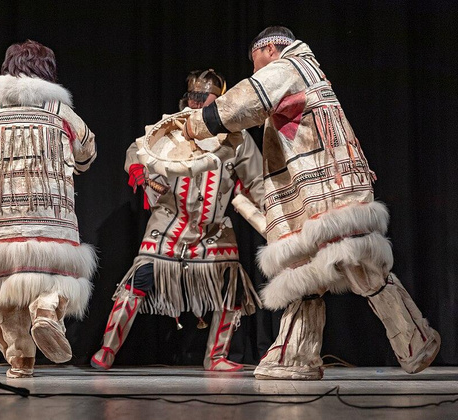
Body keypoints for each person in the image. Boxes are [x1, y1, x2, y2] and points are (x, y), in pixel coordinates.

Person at [184, 26, 440, 379]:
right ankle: (296, 357)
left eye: (255, 59)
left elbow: (243, 102)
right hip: (318, 185)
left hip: (328, 186)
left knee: (354, 262)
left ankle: (415, 339)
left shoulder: (288, 67)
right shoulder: (307, 69)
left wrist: (196, 124)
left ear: (270, 49)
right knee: (305, 272)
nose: (254, 67)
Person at [90, 70, 264, 372]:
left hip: (212, 230)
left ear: (219, 101)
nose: (197, 103)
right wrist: (142, 174)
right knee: (138, 281)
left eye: (204, 98)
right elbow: (136, 150)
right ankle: (107, 349)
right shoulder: (170, 127)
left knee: (230, 286)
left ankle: (216, 356)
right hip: (168, 224)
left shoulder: (237, 137)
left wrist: (273, 207)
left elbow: (258, 180)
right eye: (194, 97)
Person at [0, 40, 97, 378]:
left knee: (4, 287)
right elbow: (86, 152)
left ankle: (20, 360)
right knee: (54, 275)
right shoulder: (58, 109)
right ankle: (47, 312)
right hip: (49, 214)